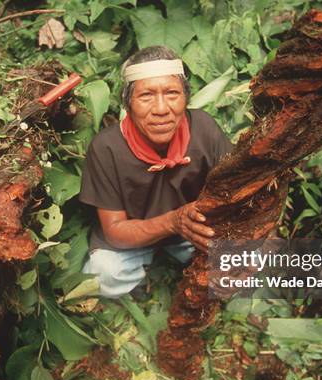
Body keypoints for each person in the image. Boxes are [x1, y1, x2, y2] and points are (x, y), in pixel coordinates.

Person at [79, 45, 233, 298]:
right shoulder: (106, 148)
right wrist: (173, 222)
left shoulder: (204, 129)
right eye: (146, 96)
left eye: (172, 93)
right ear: (128, 103)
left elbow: (234, 193)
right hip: (134, 239)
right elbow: (115, 231)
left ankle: (191, 271)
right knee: (101, 275)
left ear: (186, 98)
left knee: (248, 256)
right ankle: (143, 277)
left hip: (192, 234)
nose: (161, 109)